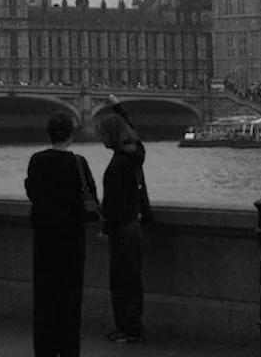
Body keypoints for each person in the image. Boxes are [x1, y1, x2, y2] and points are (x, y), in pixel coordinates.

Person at [26, 109, 97, 357]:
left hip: (45, 238)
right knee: (70, 298)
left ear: (48, 134)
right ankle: (69, 350)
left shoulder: (37, 161)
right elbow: (91, 200)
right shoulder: (79, 163)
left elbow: (33, 193)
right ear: (71, 135)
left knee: (44, 298)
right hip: (72, 239)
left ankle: (44, 350)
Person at [96, 101, 150, 343]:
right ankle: (129, 325)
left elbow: (113, 204)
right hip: (134, 226)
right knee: (131, 278)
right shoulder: (135, 154)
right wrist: (119, 108)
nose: (100, 138)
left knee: (122, 280)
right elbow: (134, 135)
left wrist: (105, 229)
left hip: (122, 227)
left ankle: (128, 328)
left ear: (112, 136)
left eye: (103, 133)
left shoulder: (119, 163)